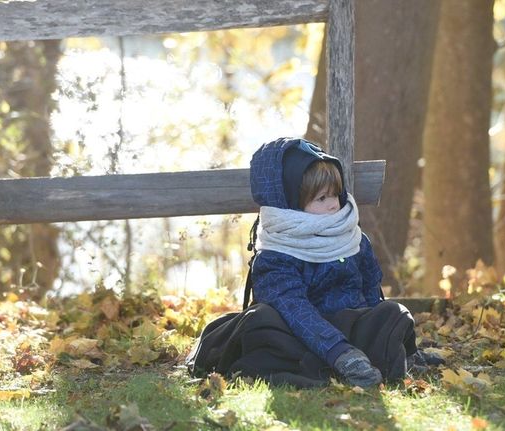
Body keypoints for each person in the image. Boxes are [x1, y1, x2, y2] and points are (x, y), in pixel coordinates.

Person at [186, 137, 442, 388]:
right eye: (321, 199)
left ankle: (398, 357)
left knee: (392, 313)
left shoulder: (351, 237)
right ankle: (339, 365)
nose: (333, 205)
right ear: (291, 205)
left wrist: (386, 334)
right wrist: (340, 353)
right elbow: (294, 309)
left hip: (347, 326)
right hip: (298, 334)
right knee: (261, 321)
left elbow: (371, 294)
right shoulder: (276, 255)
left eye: (335, 195)